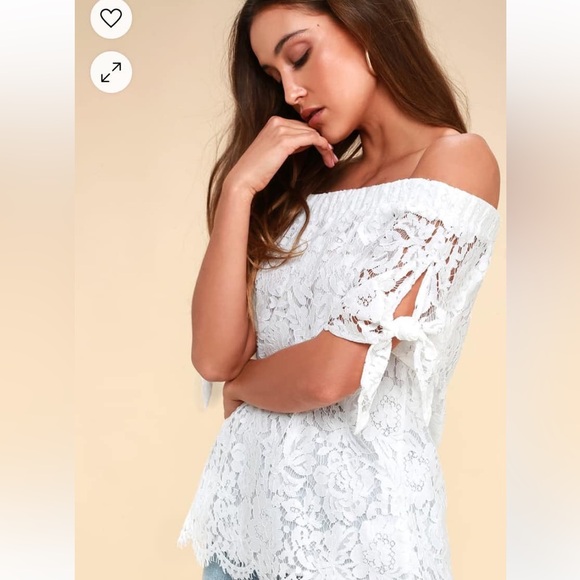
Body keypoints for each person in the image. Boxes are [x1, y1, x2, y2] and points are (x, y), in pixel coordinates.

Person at [178, 0, 501, 579]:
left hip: (359, 542)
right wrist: (238, 189)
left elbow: (335, 370)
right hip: (243, 534)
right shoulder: (303, 187)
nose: (291, 91)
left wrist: (245, 386)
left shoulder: (456, 162)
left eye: (300, 56)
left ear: (365, 26)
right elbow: (213, 356)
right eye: (274, 76)